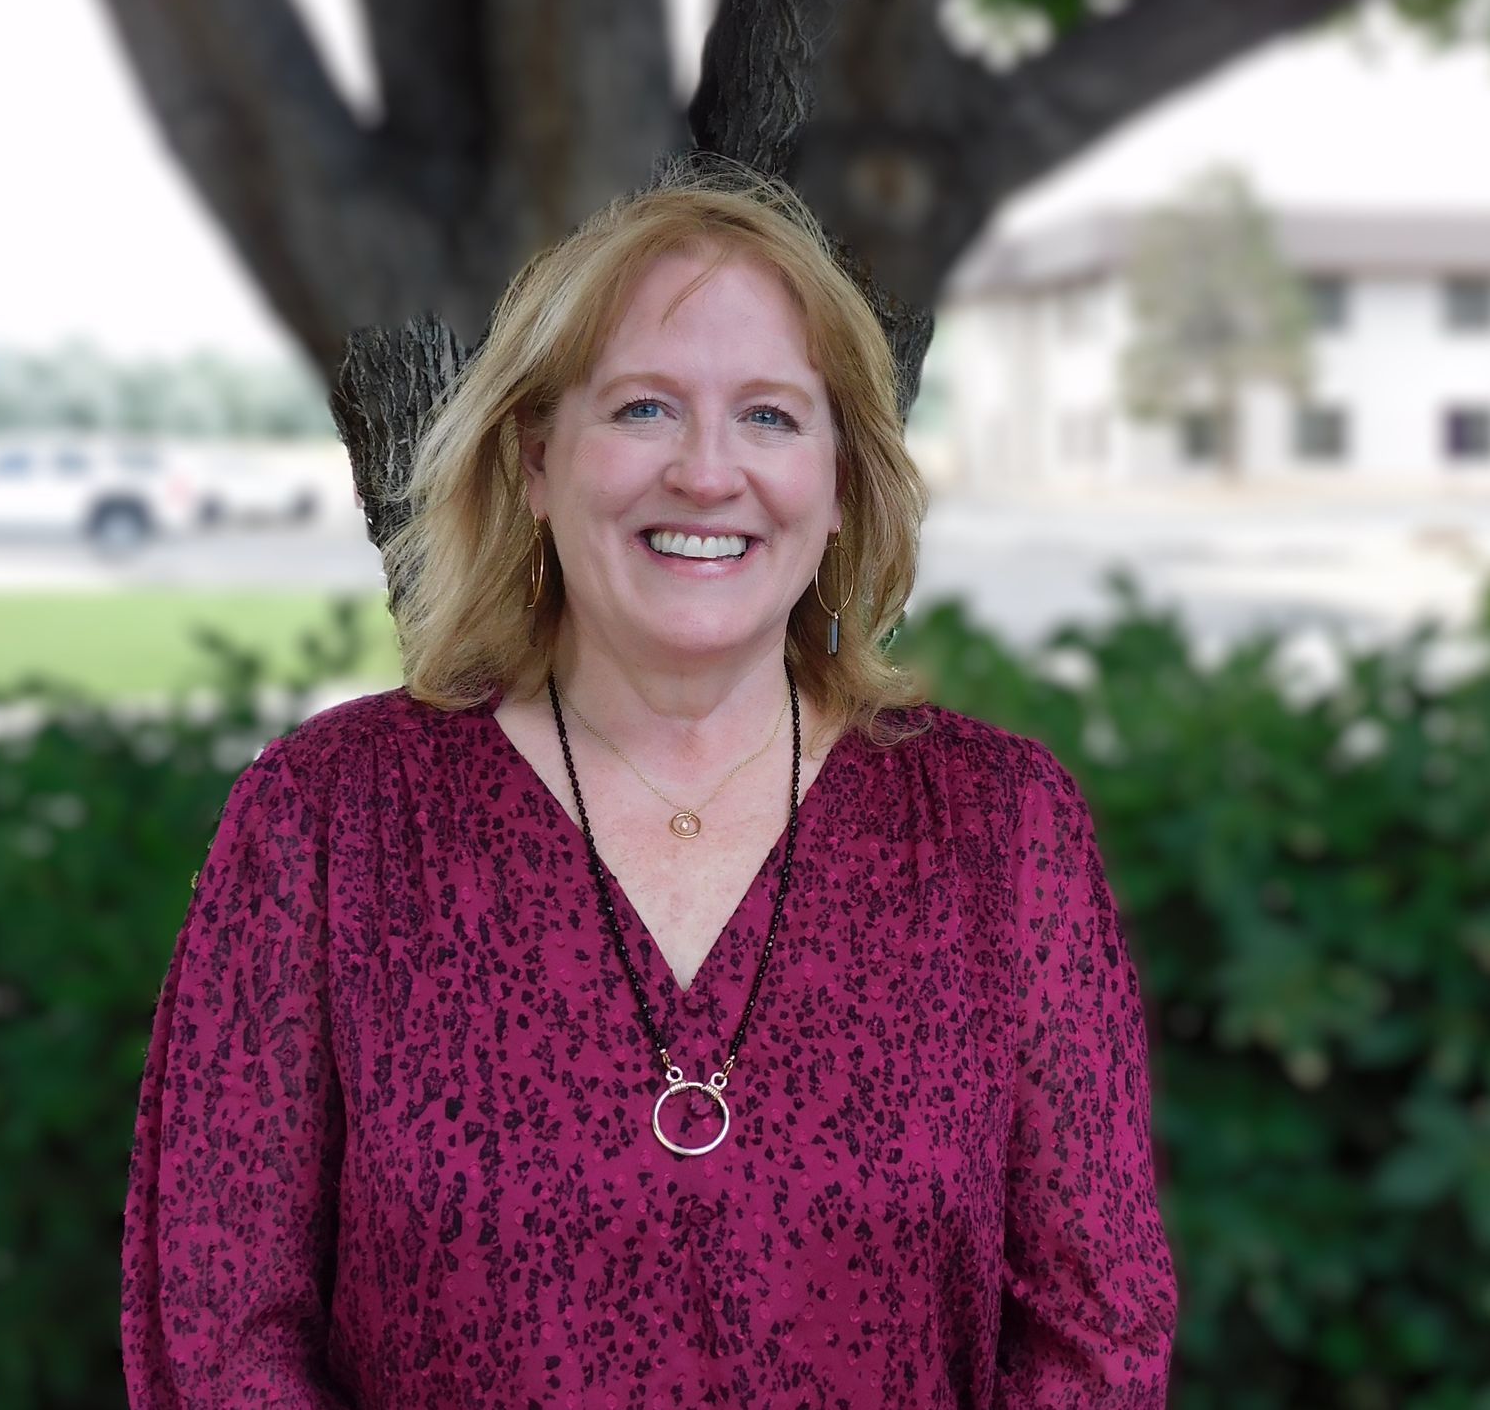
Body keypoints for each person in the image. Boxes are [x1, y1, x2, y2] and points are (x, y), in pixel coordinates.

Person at [120, 163, 1177, 1407]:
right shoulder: (328, 817)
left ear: (841, 484)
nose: (706, 472)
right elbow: (217, 1325)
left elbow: (1095, 1334)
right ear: (533, 459)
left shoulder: (997, 829)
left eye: (770, 416)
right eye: (642, 408)